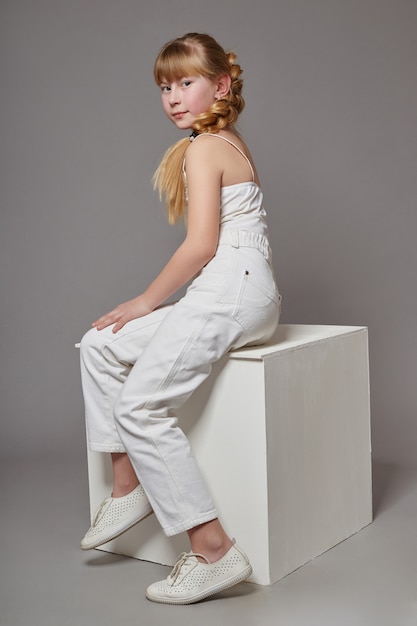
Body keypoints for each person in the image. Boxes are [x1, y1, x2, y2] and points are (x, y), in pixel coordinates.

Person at [79, 32, 281, 605]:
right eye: (165, 86)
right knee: (100, 345)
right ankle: (129, 486)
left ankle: (214, 549)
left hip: (231, 290)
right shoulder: (221, 141)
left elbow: (200, 247)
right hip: (235, 290)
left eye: (185, 82)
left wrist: (147, 301)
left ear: (220, 84)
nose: (172, 97)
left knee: (140, 406)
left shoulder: (205, 147)